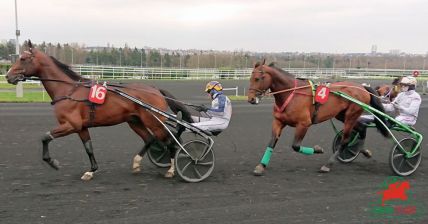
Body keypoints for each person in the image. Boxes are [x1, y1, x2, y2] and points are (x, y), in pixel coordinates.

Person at [356, 76, 421, 158]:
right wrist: (377, 104)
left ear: (411, 86)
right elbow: (390, 108)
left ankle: (385, 126)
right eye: (402, 85)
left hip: (409, 119)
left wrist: (399, 106)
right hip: (399, 118)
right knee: (367, 117)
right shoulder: (401, 95)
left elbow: (410, 111)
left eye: (405, 85)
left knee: (395, 119)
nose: (402, 87)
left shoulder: (416, 97)